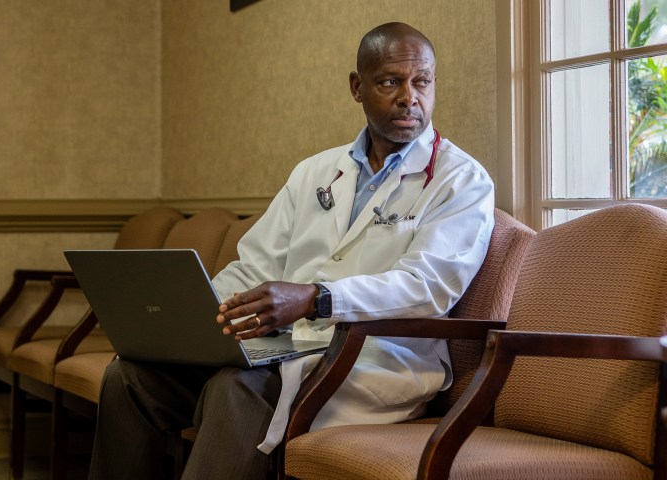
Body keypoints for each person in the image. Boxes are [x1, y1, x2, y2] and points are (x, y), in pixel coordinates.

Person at [88, 21, 494, 480]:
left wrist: (317, 297)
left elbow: (429, 287)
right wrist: (199, 326)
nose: (409, 96)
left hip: (374, 360)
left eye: (421, 81)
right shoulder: (314, 173)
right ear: (356, 88)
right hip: (283, 349)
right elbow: (255, 265)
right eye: (389, 81)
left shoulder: (460, 180)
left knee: (235, 387)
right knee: (130, 379)